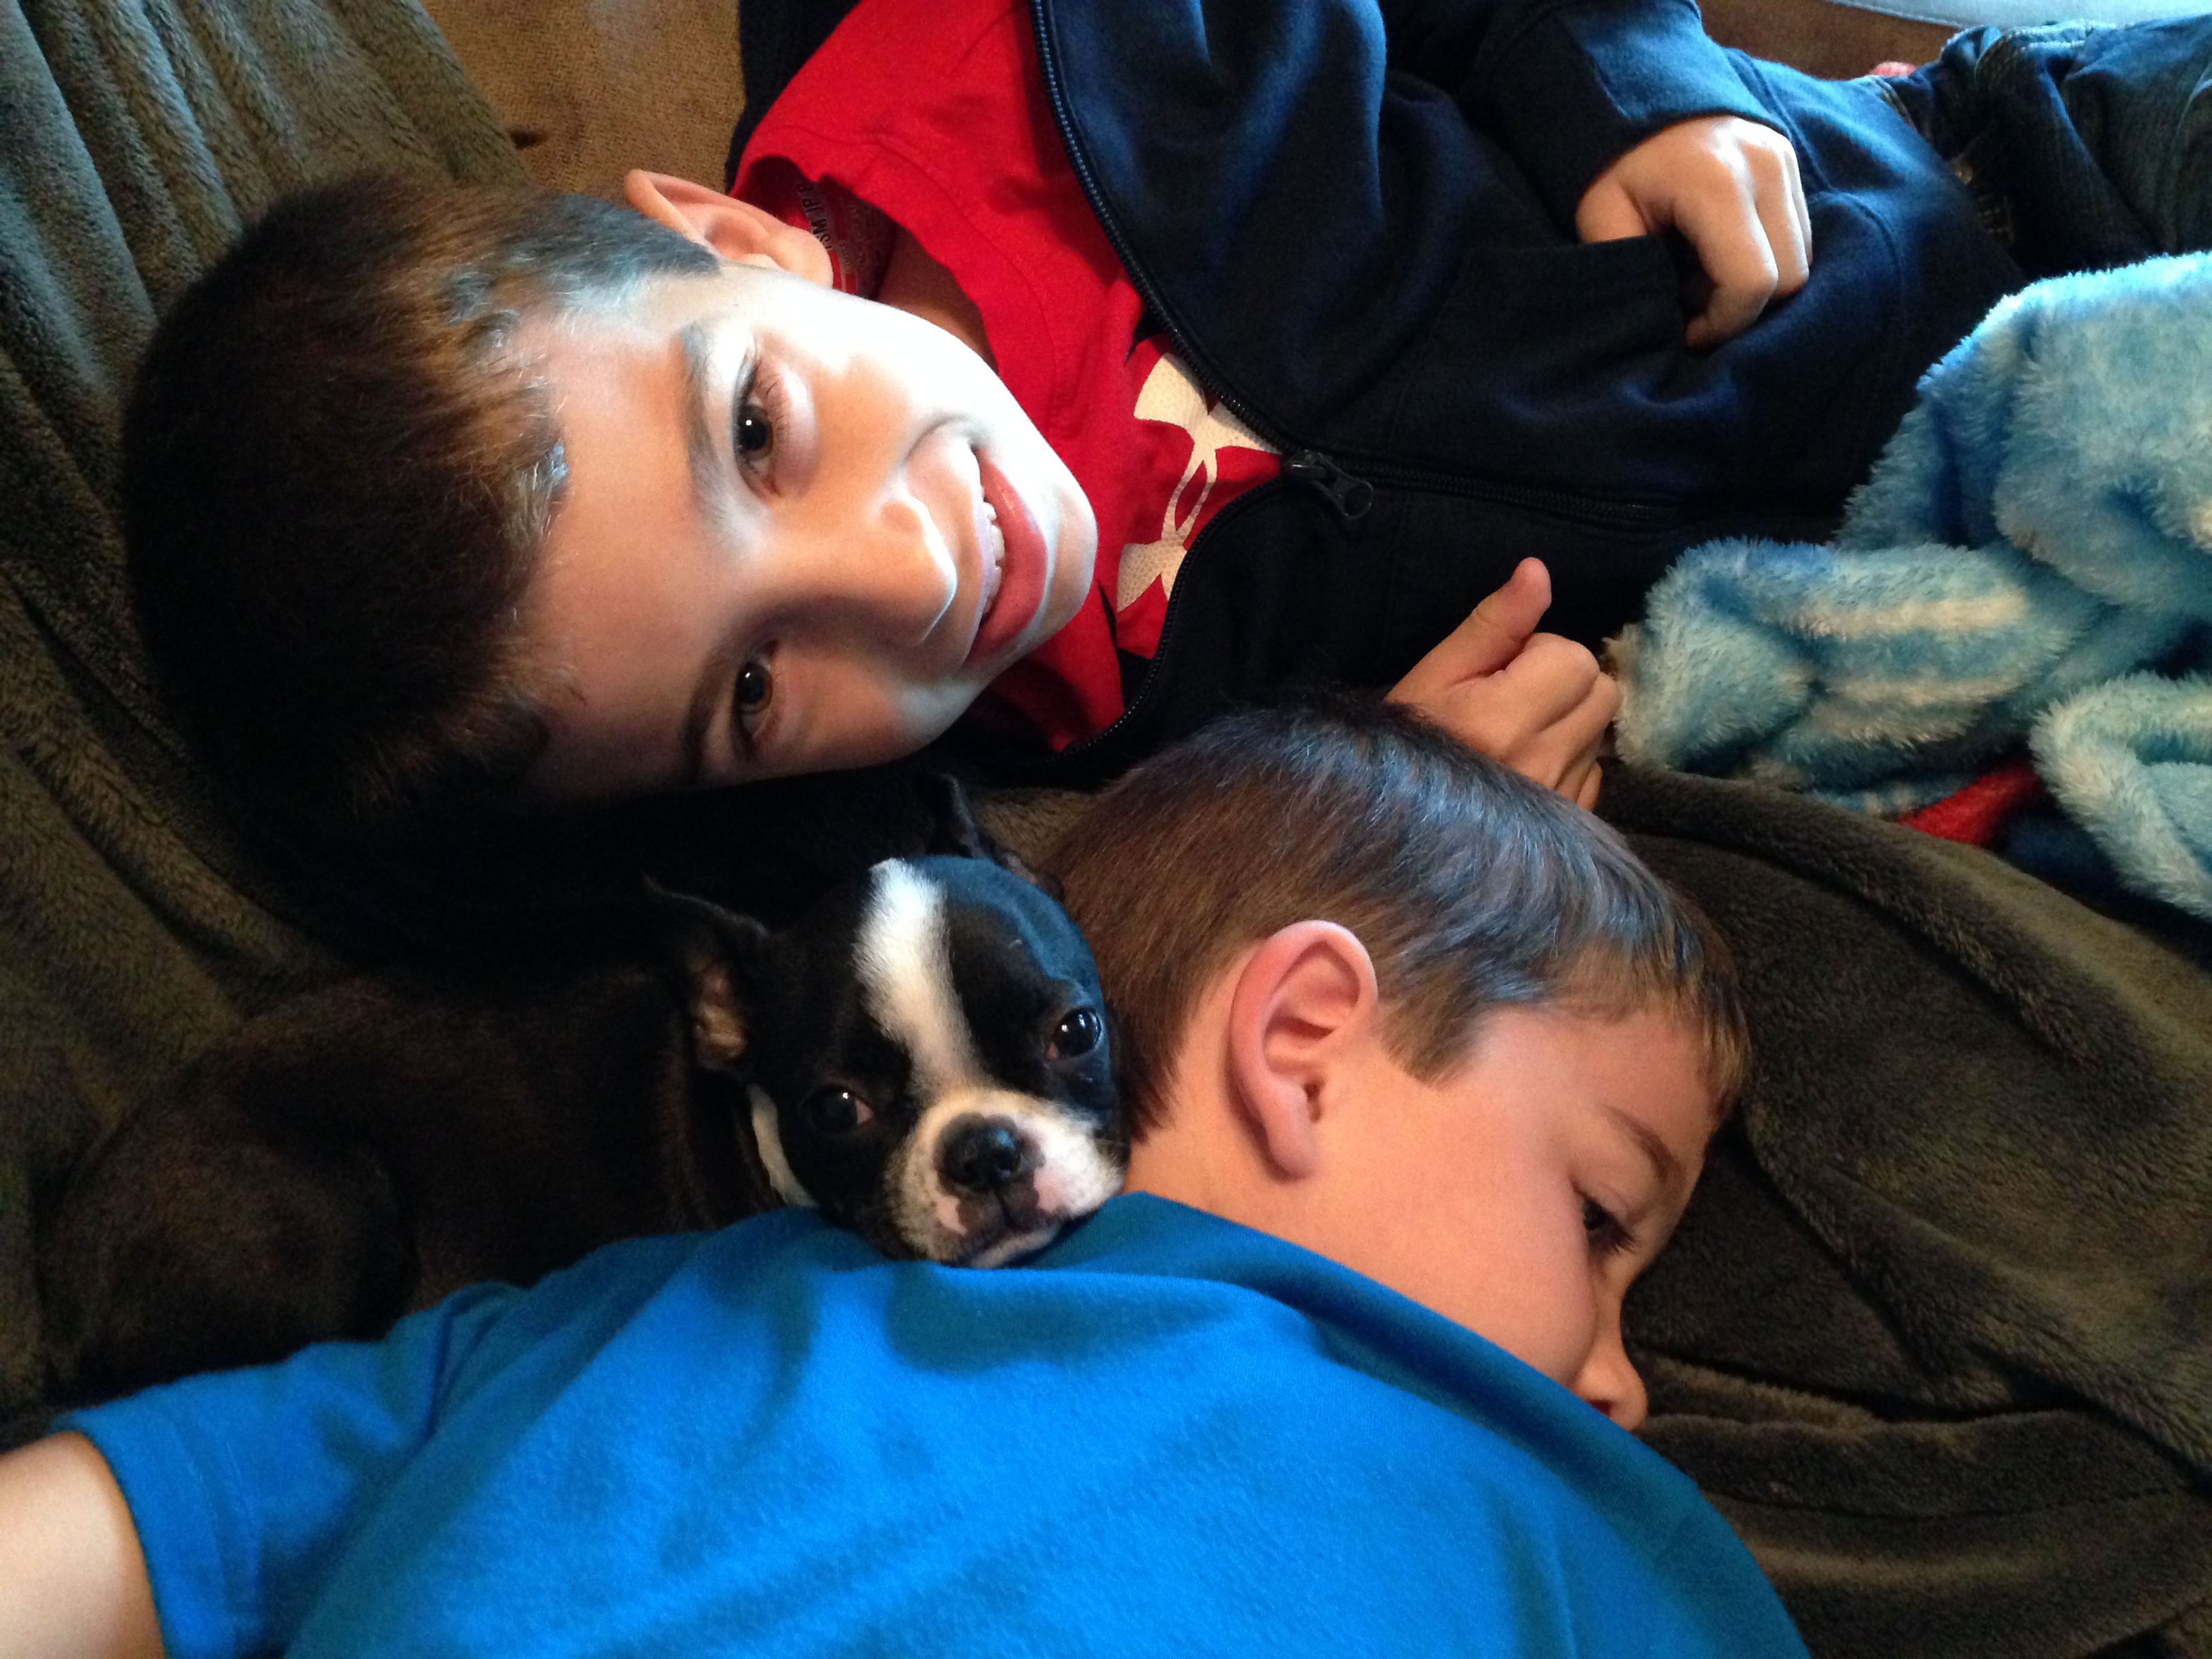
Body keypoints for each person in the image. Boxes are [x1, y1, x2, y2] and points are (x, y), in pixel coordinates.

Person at [131, 0, 2212, 851]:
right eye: (752, 689)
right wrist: (1399, 804)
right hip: (1977, 564)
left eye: (757, 432)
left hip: (2018, 171)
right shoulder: (1056, 794)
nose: (910, 578)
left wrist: (1623, 81)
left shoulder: (1041, 44)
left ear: (731, 238)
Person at [0, 697, 1798, 1657]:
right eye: (1597, 1217)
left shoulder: (1570, 1521)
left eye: (1059, 1043)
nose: (1622, 1378)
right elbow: (149, 1516)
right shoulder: (646, 1298)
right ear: (1303, 1035)